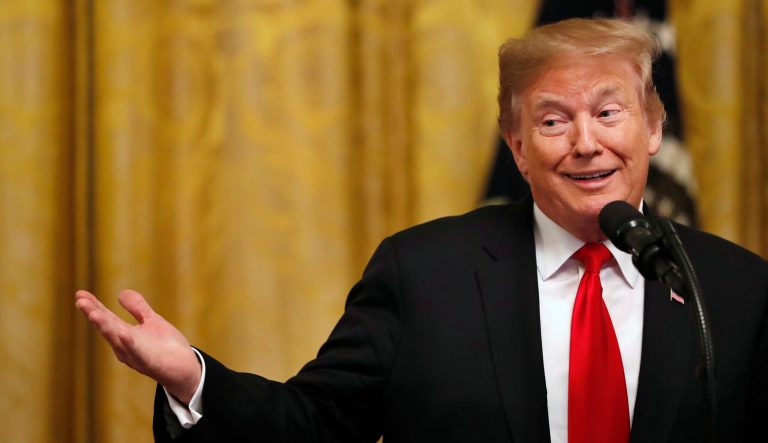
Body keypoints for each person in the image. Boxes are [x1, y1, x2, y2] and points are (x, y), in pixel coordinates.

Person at [75, 18, 768, 442]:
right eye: (554, 120)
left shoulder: (738, 288)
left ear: (653, 129)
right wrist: (194, 379)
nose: (586, 143)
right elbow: (317, 425)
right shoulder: (424, 274)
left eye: (609, 113)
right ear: (517, 146)